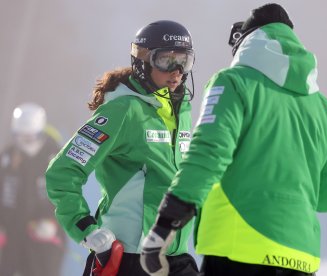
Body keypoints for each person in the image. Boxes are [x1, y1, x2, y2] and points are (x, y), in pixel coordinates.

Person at [140, 3, 327, 276]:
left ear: (245, 42)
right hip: (302, 256)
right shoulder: (324, 108)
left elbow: (209, 153)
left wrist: (165, 223)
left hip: (240, 250)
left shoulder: (233, 83)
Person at [45, 20, 199, 276]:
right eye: (167, 60)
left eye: (184, 61)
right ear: (143, 62)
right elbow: (62, 173)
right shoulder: (123, 110)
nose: (177, 71)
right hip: (130, 259)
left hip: (175, 257)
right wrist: (86, 229)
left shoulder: (180, 110)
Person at [0, 102, 67, 276]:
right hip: (11, 238)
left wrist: (52, 221)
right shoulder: (7, 157)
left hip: (44, 239)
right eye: (19, 137)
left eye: (29, 138)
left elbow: (68, 194)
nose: (24, 143)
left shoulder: (56, 157)